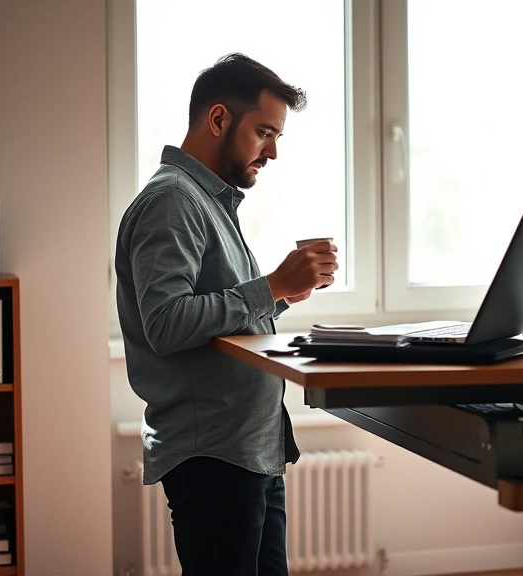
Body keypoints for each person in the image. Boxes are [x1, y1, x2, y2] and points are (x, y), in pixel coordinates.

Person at [115, 53, 336, 576]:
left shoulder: (208, 201)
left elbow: (214, 316)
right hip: (214, 456)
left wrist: (283, 296)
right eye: (264, 132)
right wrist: (272, 285)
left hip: (247, 449)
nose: (274, 152)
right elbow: (167, 324)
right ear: (218, 119)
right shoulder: (173, 200)